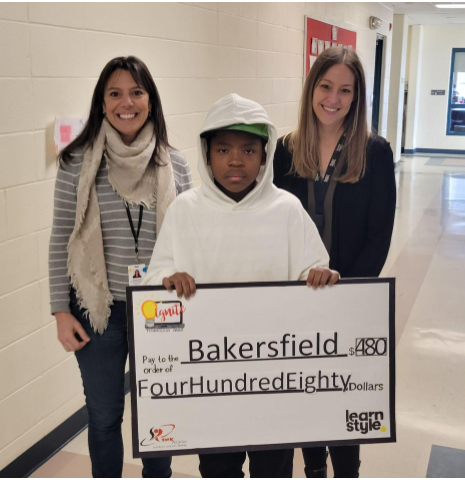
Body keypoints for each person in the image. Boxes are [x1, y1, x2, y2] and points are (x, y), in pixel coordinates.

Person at [143, 93, 339, 478]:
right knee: (218, 469)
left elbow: (314, 271)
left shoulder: (286, 210)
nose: (235, 160)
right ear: (207, 154)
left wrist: (320, 277)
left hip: (274, 384)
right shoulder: (185, 211)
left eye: (248, 150)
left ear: (264, 156)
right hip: (211, 385)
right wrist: (167, 282)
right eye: (223, 150)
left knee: (275, 468)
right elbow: (154, 288)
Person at [49, 56, 191, 478]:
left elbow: (189, 241)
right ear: (102, 102)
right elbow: (61, 238)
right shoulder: (76, 162)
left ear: (151, 100)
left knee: (158, 417)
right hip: (98, 311)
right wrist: (60, 310)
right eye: (115, 93)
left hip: (160, 310)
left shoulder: (175, 164)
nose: (125, 102)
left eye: (136, 92)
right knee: (105, 416)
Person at [271, 45, 397, 479]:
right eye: (326, 86)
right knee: (308, 394)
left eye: (346, 90)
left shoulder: (375, 153)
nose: (334, 98)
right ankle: (313, 470)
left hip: (349, 299)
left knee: (343, 399)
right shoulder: (285, 151)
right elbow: (276, 228)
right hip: (299, 299)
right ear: (311, 89)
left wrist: (344, 291)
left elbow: (379, 237)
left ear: (357, 96)